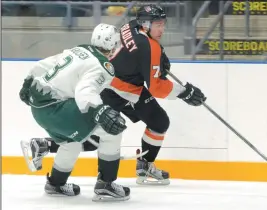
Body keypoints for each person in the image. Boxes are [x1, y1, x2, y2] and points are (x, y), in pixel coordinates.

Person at [19, 23, 130, 202]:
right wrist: (100, 110)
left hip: (39, 107)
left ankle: (56, 184)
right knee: (112, 132)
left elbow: (43, 64)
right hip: (58, 110)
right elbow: (85, 93)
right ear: (113, 46)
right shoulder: (104, 66)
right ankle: (106, 185)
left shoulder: (78, 50)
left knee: (71, 143)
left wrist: (27, 83)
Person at [100, 4, 207, 185]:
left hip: (107, 81)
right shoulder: (149, 47)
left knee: (157, 121)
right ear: (146, 24)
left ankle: (145, 166)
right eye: (158, 24)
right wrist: (184, 93)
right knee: (98, 136)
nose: (162, 29)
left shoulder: (131, 25)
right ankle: (47, 145)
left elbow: (134, 55)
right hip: (122, 90)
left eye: (163, 24)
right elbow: (156, 88)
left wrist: (152, 62)